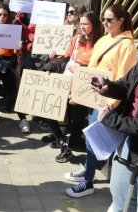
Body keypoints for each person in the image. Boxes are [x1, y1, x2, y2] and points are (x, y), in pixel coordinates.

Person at [65, 4, 137, 197]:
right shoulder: (105, 39)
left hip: (106, 101)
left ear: (121, 21)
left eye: (109, 20)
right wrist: (78, 91)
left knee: (93, 141)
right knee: (90, 138)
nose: (104, 23)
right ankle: (89, 169)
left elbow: (123, 80)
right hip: (93, 96)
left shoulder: (127, 46)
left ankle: (87, 181)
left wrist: (110, 106)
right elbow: (91, 68)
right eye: (103, 19)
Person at [91, 25, 138, 211]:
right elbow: (126, 84)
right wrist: (108, 86)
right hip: (128, 144)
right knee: (120, 202)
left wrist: (112, 119)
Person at [42, 11, 103, 163]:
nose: (82, 27)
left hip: (84, 85)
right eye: (81, 23)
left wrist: (82, 70)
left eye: (86, 24)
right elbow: (66, 60)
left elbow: (101, 68)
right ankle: (62, 143)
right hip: (67, 81)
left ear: (94, 25)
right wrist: (50, 66)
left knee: (76, 119)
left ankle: (70, 144)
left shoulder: (100, 43)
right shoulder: (76, 40)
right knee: (49, 111)